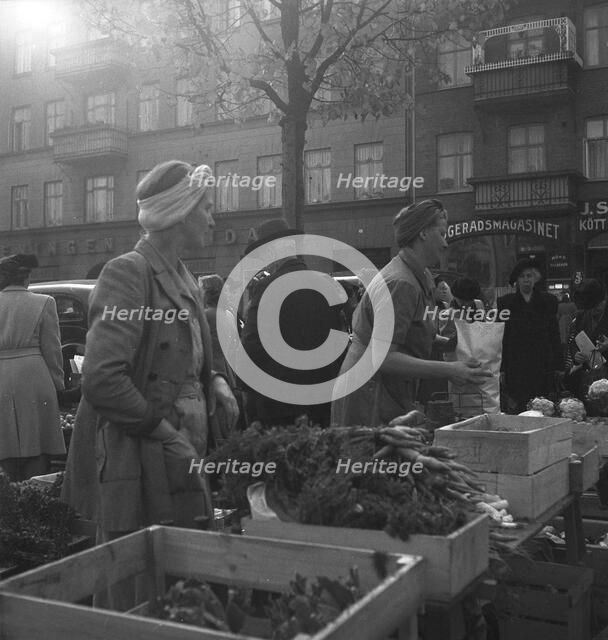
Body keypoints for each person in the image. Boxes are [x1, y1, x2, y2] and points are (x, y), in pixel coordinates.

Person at [62, 161, 239, 541]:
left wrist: (217, 381)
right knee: (141, 583)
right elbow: (103, 380)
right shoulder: (128, 273)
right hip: (141, 458)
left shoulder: (184, 276)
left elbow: (186, 351)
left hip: (178, 451)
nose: (213, 220)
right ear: (181, 213)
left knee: (181, 578)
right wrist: (165, 434)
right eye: (206, 208)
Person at [331, 199, 491, 427]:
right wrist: (450, 369)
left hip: (379, 390)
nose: (446, 243)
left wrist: (446, 343)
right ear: (423, 233)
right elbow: (384, 357)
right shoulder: (402, 283)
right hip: (370, 395)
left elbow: (408, 332)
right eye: (442, 233)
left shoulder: (414, 275)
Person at [240, 218, 344, 427]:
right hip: (320, 400)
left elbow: (252, 345)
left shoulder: (267, 286)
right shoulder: (326, 285)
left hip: (277, 404)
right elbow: (339, 342)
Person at [0, 254, 65, 481]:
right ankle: (34, 493)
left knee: (4, 441)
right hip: (34, 374)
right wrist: (58, 384)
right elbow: (53, 349)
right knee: (37, 441)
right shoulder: (45, 302)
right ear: (27, 278)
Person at [498, 258, 563, 413]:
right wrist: (501, 367)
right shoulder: (505, 303)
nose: (526, 280)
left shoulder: (548, 301)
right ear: (517, 280)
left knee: (542, 406)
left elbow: (554, 334)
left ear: (535, 278)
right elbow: (501, 338)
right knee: (518, 406)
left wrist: (559, 366)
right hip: (516, 364)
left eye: (529, 276)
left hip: (542, 363)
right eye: (522, 276)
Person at [564, 279, 608, 400]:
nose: (593, 311)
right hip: (585, 378)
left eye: (597, 306)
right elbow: (574, 341)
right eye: (589, 308)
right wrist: (576, 355)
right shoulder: (581, 315)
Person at [557, 292, 577, 357]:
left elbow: (557, 316)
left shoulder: (559, 305)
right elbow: (576, 314)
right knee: (570, 337)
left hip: (562, 323)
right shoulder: (573, 305)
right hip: (571, 322)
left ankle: (563, 354)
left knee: (563, 338)